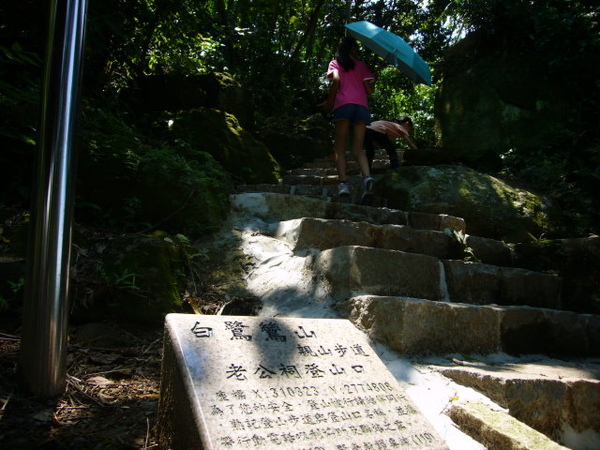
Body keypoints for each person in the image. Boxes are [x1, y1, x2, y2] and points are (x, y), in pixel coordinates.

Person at [318, 36, 375, 203]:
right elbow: (369, 91)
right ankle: (367, 179)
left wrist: (329, 102)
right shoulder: (363, 65)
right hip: (361, 107)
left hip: (344, 105)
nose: (358, 50)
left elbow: (336, 79)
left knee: (340, 149)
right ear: (352, 49)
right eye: (356, 47)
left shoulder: (335, 63)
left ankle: (343, 185)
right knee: (358, 150)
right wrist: (374, 78)